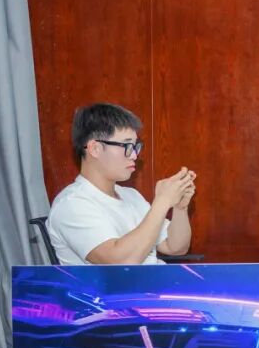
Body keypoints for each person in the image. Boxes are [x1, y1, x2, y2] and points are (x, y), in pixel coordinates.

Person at [48, 103, 196, 265]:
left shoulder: (131, 195)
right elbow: (120, 263)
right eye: (126, 146)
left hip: (156, 279)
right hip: (121, 283)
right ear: (95, 149)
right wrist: (162, 202)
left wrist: (180, 208)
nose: (134, 155)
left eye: (135, 146)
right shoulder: (72, 204)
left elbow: (175, 247)